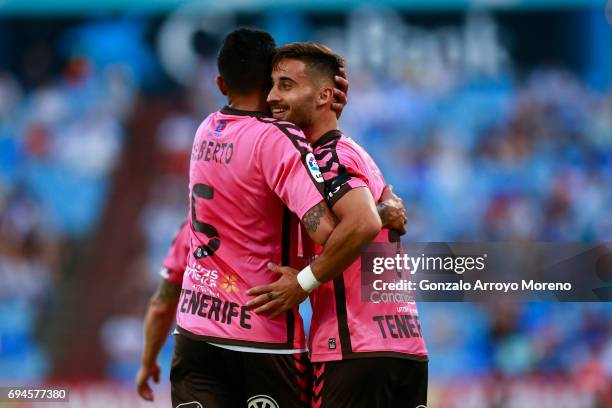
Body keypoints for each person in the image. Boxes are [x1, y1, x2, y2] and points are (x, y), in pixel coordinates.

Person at [162, 28, 406, 408]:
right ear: (268, 81)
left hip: (195, 328)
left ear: (220, 83)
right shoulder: (279, 137)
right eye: (278, 85)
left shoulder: (205, 129)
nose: (279, 96)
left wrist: (320, 113)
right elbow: (333, 231)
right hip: (262, 331)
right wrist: (379, 208)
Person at [248, 42, 428, 408]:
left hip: (353, 348)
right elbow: (378, 215)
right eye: (271, 85)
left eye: (285, 85)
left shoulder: (327, 157)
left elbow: (361, 224)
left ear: (323, 96)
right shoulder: (354, 151)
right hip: (403, 345)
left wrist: (301, 284)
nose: (271, 97)